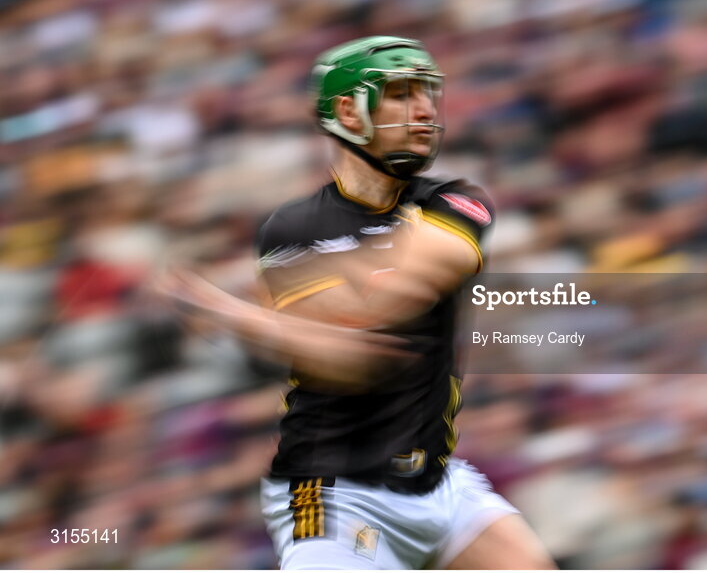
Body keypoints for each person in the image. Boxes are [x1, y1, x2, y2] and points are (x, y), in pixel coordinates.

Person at [167, 36, 553, 569]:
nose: (424, 110)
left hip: (439, 484)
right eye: (400, 93)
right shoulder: (293, 226)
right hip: (333, 494)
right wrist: (342, 311)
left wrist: (239, 313)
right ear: (347, 110)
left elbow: (394, 297)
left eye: (428, 94)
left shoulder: (455, 199)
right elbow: (353, 361)